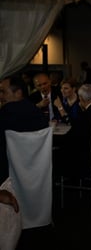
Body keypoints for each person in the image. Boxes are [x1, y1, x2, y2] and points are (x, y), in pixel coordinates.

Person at [0, 76, 50, 249]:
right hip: (36, 179)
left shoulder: (5, 114)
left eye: (3, 91)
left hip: (8, 178)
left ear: (18, 92)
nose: (1, 95)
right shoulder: (36, 112)